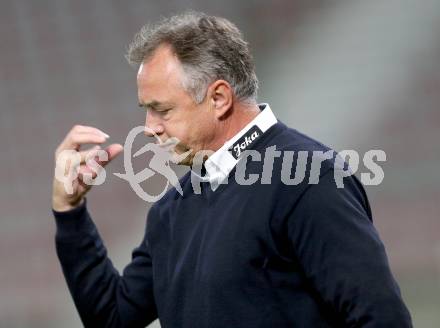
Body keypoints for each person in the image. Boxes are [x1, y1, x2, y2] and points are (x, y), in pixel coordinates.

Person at [52, 11, 412, 327]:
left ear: (219, 98)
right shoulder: (173, 208)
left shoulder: (309, 179)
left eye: (162, 110)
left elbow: (380, 318)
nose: (149, 127)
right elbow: (113, 316)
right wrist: (70, 213)